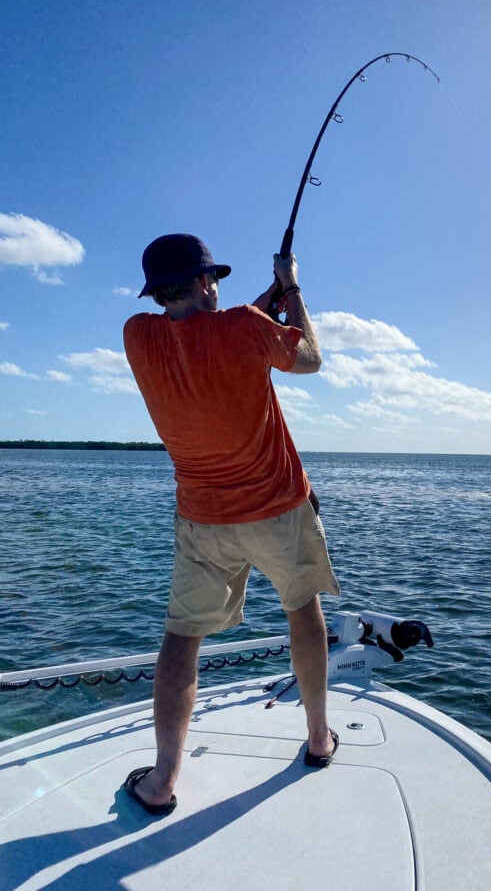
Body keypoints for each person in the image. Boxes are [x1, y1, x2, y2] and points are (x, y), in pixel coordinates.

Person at [122, 233, 340, 815]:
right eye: (210, 277)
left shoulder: (137, 336)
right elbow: (310, 360)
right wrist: (290, 288)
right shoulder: (245, 326)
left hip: (201, 519)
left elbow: (206, 337)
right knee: (302, 609)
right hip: (278, 508)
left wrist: (261, 303)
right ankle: (318, 739)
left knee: (182, 637)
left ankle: (163, 779)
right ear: (202, 282)